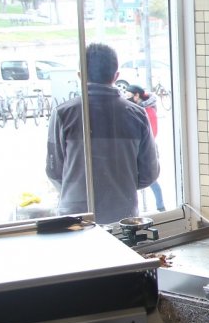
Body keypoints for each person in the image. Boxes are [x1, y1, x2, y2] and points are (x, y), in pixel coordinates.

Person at [46, 43, 160, 225]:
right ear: (116, 76)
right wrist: (120, 187)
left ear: (80, 75)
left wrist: (76, 189)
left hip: (75, 219)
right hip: (123, 218)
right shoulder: (137, 115)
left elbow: (54, 171)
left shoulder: (63, 114)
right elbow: (149, 172)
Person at [126, 84, 166, 212]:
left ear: (136, 95)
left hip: (146, 148)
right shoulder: (139, 109)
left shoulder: (147, 111)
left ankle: (161, 206)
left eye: (128, 95)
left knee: (152, 180)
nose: (126, 98)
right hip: (141, 148)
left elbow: (152, 132)